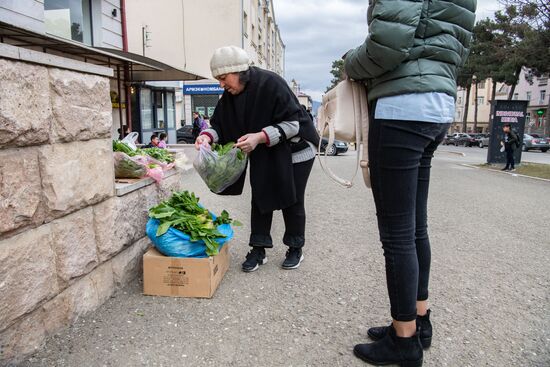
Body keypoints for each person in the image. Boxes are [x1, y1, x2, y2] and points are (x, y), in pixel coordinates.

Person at [343, 1, 476, 366]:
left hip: (401, 107)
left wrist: (349, 62)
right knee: (415, 227)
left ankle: (404, 341)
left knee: (397, 235)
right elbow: (452, 44)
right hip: (437, 106)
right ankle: (419, 319)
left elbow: (389, 40)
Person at [195, 46, 319, 272]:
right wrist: (206, 137)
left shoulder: (272, 84)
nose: (221, 84)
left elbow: (293, 124)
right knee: (261, 193)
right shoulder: (231, 95)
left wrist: (260, 136)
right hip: (267, 148)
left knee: (291, 197)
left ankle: (295, 247)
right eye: (218, 80)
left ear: (238, 71)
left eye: (223, 78)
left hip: (296, 148)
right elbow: (221, 126)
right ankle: (259, 249)